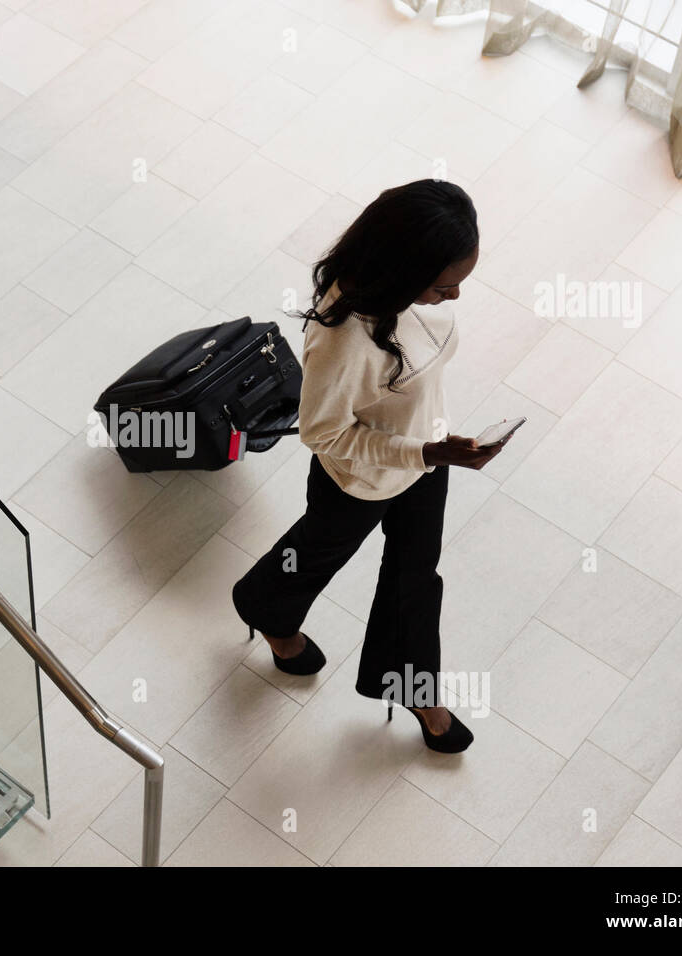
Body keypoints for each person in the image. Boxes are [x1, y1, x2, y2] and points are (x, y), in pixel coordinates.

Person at [232, 179, 507, 754]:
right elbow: (321, 431)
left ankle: (414, 688)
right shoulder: (344, 340)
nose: (454, 298)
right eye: (444, 286)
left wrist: (431, 449)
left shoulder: (407, 299)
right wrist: (425, 452)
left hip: (428, 454)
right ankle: (265, 610)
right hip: (359, 477)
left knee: (416, 579)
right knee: (314, 555)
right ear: (403, 269)